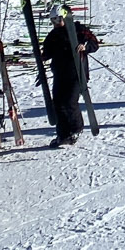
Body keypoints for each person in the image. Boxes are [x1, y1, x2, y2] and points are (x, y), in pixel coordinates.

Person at [38, 8, 100, 147]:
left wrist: (85, 46)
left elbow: (94, 43)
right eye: (53, 20)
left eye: (59, 19)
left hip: (77, 73)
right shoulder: (53, 35)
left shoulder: (79, 29)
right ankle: (62, 134)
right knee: (58, 103)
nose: (56, 23)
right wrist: (40, 57)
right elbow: (46, 53)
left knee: (70, 102)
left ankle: (76, 130)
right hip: (60, 73)